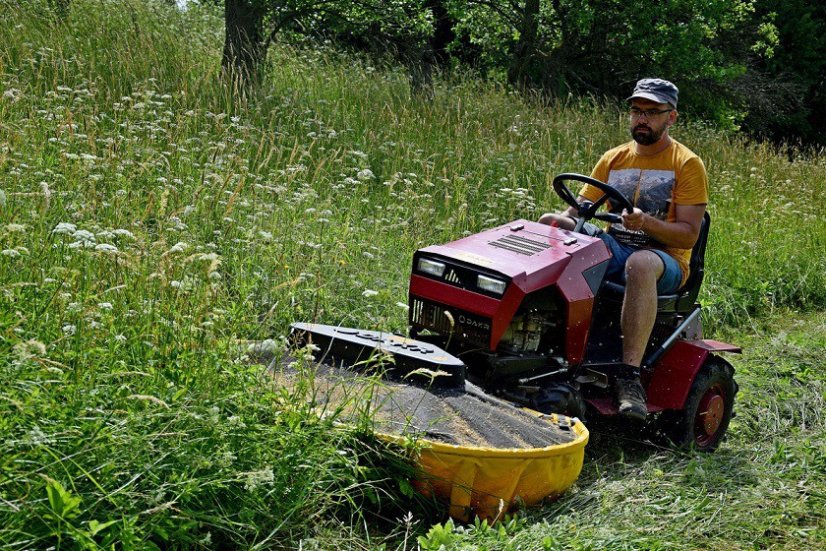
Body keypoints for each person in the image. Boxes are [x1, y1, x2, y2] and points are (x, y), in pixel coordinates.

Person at [539, 78, 708, 422]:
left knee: (641, 262)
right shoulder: (613, 158)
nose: (641, 119)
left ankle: (628, 378)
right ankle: (541, 344)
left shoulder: (686, 164)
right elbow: (579, 209)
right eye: (636, 110)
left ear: (671, 117)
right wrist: (561, 222)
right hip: (615, 247)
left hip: (665, 260)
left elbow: (688, 235)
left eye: (652, 112)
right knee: (550, 224)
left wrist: (647, 223)